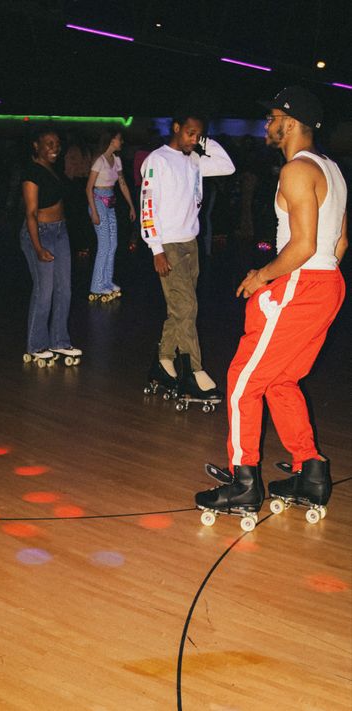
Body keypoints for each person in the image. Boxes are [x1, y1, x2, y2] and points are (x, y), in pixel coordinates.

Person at [195, 86, 348, 521]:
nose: (267, 124)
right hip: (328, 282)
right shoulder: (332, 170)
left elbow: (301, 246)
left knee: (243, 379)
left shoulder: (297, 170)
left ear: (293, 123)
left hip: (301, 283)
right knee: (282, 381)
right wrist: (317, 281)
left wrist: (263, 277)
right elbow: (339, 243)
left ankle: (244, 481)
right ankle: (310, 470)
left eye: (274, 117)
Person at [140, 112, 235, 402]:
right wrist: (156, 249)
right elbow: (148, 206)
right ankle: (193, 371)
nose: (193, 140)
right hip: (168, 245)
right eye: (189, 133)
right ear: (176, 128)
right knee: (187, 308)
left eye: (198, 135)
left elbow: (226, 167)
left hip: (189, 244)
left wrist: (206, 142)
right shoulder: (158, 160)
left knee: (179, 309)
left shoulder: (193, 159)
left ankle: (163, 362)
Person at [20, 125, 81, 365]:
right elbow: (31, 213)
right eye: (49, 144)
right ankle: (36, 344)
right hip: (40, 234)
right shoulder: (31, 172)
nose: (55, 149)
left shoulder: (52, 169)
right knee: (44, 291)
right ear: (36, 146)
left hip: (60, 232)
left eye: (57, 144)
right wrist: (37, 247)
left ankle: (59, 341)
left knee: (64, 289)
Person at [86, 129, 136, 300]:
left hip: (110, 202)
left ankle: (106, 282)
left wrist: (131, 206)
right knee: (104, 244)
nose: (121, 142)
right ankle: (97, 285)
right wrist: (93, 210)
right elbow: (88, 188)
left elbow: (122, 184)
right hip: (98, 201)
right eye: (119, 139)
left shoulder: (117, 160)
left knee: (113, 244)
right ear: (111, 140)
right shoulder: (99, 161)